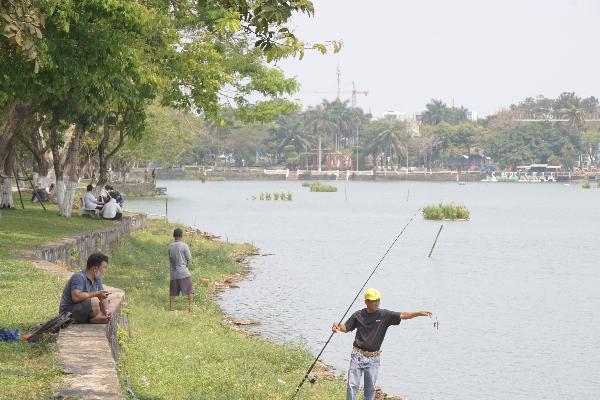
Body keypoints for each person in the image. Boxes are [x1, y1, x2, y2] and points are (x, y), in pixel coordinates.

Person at [332, 288, 432, 400]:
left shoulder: (384, 315)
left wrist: (418, 313)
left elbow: (403, 315)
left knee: (370, 390)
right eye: (374, 300)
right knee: (352, 386)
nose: (377, 302)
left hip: (373, 359)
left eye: (378, 299)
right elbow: (346, 328)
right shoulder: (358, 315)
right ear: (366, 302)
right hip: (357, 356)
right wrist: (337, 325)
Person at [59, 252, 113, 324]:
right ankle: (92, 319)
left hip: (85, 310)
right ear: (95, 269)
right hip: (69, 313)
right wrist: (96, 294)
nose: (105, 271)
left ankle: (98, 318)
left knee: (111, 304)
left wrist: (106, 311)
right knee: (94, 301)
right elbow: (76, 297)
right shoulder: (79, 277)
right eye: (104, 268)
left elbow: (102, 296)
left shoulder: (97, 279)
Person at [168, 228, 194, 312]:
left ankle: (172, 308)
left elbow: (171, 259)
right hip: (183, 272)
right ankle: (190, 307)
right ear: (181, 236)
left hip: (173, 273)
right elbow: (189, 258)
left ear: (173, 236)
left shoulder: (170, 247)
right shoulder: (184, 245)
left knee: (172, 292)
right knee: (190, 291)